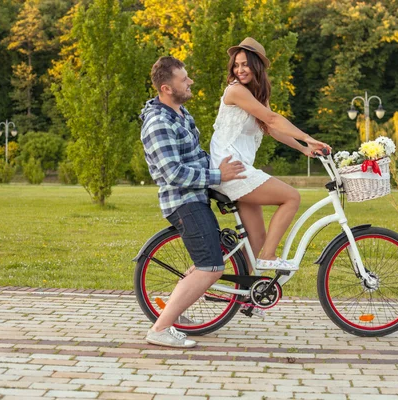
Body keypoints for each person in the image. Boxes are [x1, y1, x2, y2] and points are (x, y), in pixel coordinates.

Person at [140, 56, 246, 348]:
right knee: (211, 267)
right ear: (166, 87)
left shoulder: (181, 114)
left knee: (207, 261)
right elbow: (173, 172)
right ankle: (160, 330)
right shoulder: (158, 123)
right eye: (183, 79)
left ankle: (174, 312)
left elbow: (195, 156)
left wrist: (221, 172)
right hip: (183, 201)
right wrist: (216, 174)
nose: (190, 82)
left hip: (197, 197)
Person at [210, 37, 331, 272]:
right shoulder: (236, 91)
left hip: (238, 168)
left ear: (257, 66)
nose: (239, 69)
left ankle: (244, 297)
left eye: (245, 64)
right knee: (292, 197)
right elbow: (273, 119)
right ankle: (270, 256)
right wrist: (307, 137)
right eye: (236, 65)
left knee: (255, 241)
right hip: (231, 168)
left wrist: (303, 148)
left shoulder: (255, 96)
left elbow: (272, 128)